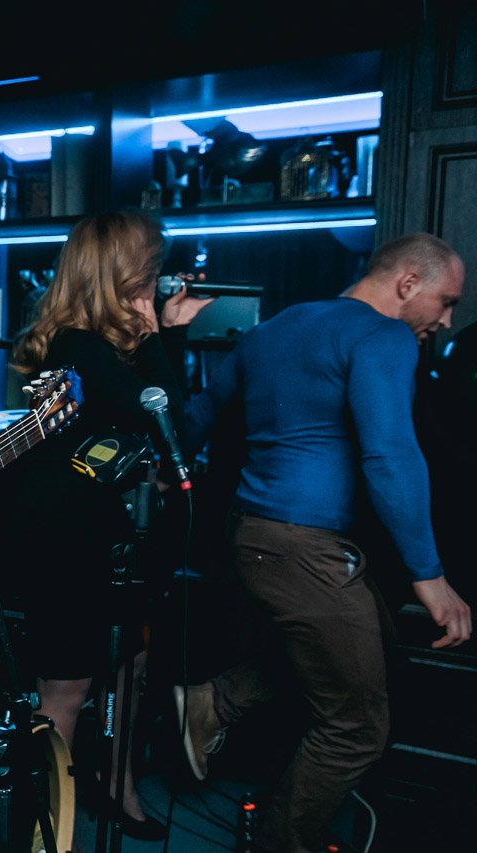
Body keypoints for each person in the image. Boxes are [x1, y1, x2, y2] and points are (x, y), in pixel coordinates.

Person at [174, 232, 472, 853]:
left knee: (365, 655)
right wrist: (430, 575)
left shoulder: (274, 329)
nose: (446, 320)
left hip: (251, 537)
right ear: (407, 284)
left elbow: (196, 417)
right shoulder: (383, 336)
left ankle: (211, 703)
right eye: (445, 302)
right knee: (358, 725)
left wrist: (156, 468)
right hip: (300, 546)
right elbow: (390, 455)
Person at [0, 208, 216, 844]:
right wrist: (165, 334)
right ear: (128, 275)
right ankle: (43, 829)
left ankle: (115, 785)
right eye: (152, 270)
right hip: (63, 534)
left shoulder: (108, 351)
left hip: (105, 533)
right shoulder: (78, 348)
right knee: (67, 685)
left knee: (130, 666)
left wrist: (160, 336)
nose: (160, 281)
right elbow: (168, 425)